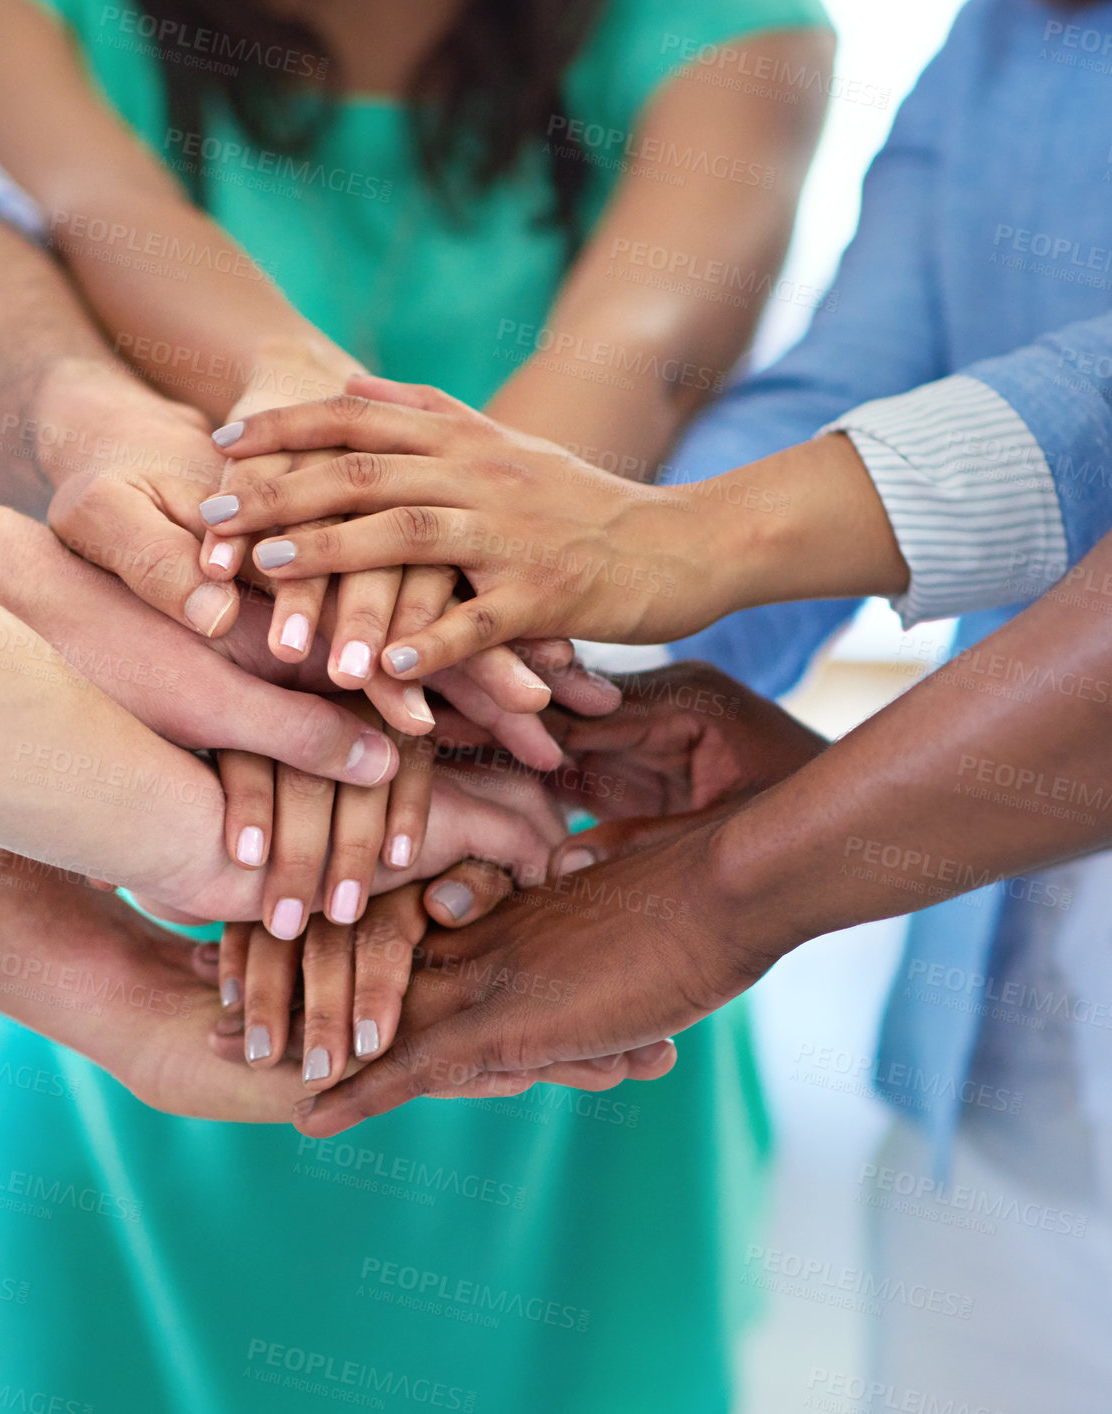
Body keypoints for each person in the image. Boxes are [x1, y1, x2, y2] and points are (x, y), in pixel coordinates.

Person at [0, 1, 834, 1410]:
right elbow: (100, 220)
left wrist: (367, 672)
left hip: (525, 883)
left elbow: (630, 370)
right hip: (95, 868)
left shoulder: (723, 33)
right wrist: (394, 614)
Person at [211, 0, 1112, 1405]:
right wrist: (492, 686)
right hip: (991, 1068)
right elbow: (833, 401)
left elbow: (1077, 411)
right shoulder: (1003, 40)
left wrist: (721, 888)